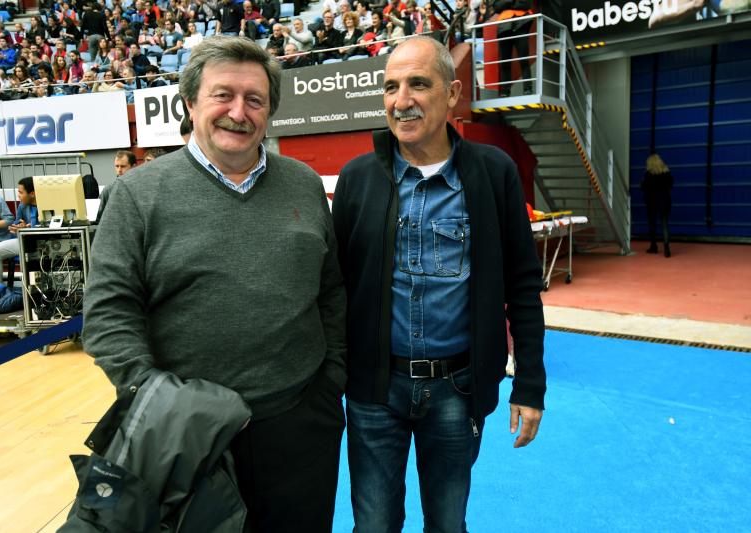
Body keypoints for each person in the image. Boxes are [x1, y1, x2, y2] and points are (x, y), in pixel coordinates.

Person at [82, 36, 346, 532]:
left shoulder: (303, 184)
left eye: (255, 99)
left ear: (270, 112)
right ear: (190, 103)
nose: (238, 112)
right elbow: (109, 313)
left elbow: (330, 291)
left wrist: (330, 381)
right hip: (186, 438)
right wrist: (155, 400)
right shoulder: (137, 194)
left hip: (299, 424)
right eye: (222, 94)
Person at [332, 36, 546, 533]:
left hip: (458, 391)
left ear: (452, 94)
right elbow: (334, 289)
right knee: (374, 525)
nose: (401, 100)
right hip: (373, 393)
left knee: (448, 525)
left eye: (418, 84)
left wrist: (530, 383)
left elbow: (523, 285)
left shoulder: (494, 173)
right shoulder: (357, 179)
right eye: (390, 87)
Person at [0, 177, 38, 289]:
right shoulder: (22, 206)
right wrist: (17, 228)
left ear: (32, 193)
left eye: (20, 192)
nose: (18, 196)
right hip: (22, 240)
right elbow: (14, 226)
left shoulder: (44, 205)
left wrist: (27, 229)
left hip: (35, 243)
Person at [493, 0, 534, 96]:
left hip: (521, 23)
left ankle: (528, 89)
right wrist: (512, 1)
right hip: (504, 27)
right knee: (504, 62)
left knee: (524, 59)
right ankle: (505, 91)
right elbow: (496, 7)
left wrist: (506, 5)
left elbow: (526, 4)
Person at [642, 153, 674, 257]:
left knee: (652, 225)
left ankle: (653, 246)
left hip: (652, 202)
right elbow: (670, 185)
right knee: (664, 224)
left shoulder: (649, 175)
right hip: (664, 201)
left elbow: (644, 187)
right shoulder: (667, 174)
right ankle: (666, 248)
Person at [95, 149, 136, 223]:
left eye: (123, 166)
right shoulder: (108, 190)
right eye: (117, 166)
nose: (119, 170)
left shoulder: (141, 187)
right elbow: (98, 217)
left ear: (133, 166)